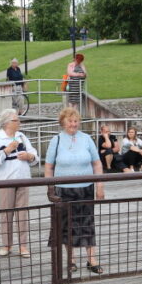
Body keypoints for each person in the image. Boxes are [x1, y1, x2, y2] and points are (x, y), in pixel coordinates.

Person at [44, 106, 105, 274]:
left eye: (76, 121)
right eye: (70, 121)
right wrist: (50, 188)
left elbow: (97, 163)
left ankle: (92, 259)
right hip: (63, 190)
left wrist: (100, 185)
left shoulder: (87, 138)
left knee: (87, 223)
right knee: (67, 226)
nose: (73, 124)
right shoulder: (56, 140)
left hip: (86, 189)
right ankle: (71, 260)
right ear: (63, 122)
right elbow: (49, 167)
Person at [0, 108, 39, 258]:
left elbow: (35, 155)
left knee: (22, 213)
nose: (19, 122)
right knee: (6, 214)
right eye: (16, 120)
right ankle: (7, 245)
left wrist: (29, 156)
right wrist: (7, 150)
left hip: (23, 179)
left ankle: (23, 246)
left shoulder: (22, 136)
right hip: (5, 181)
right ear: (7, 123)